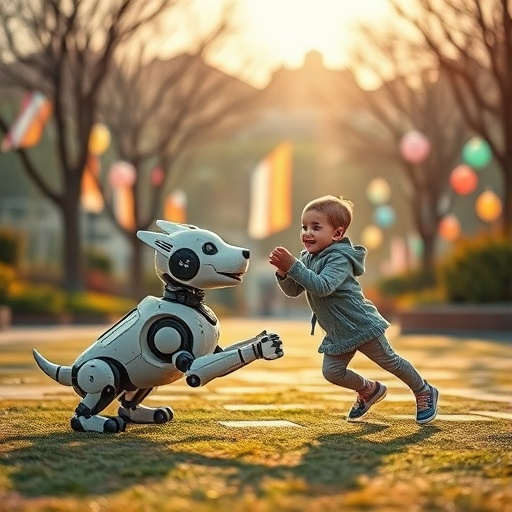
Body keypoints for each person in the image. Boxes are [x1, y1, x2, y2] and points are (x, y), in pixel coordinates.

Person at [269, 195, 439, 424]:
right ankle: (369, 390)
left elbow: (323, 286)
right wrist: (283, 272)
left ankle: (423, 390)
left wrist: (294, 266)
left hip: (361, 324)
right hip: (338, 332)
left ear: (337, 234)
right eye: (304, 226)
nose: (307, 233)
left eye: (316, 227)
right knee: (332, 372)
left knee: (391, 361)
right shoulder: (306, 259)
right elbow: (293, 291)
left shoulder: (340, 257)